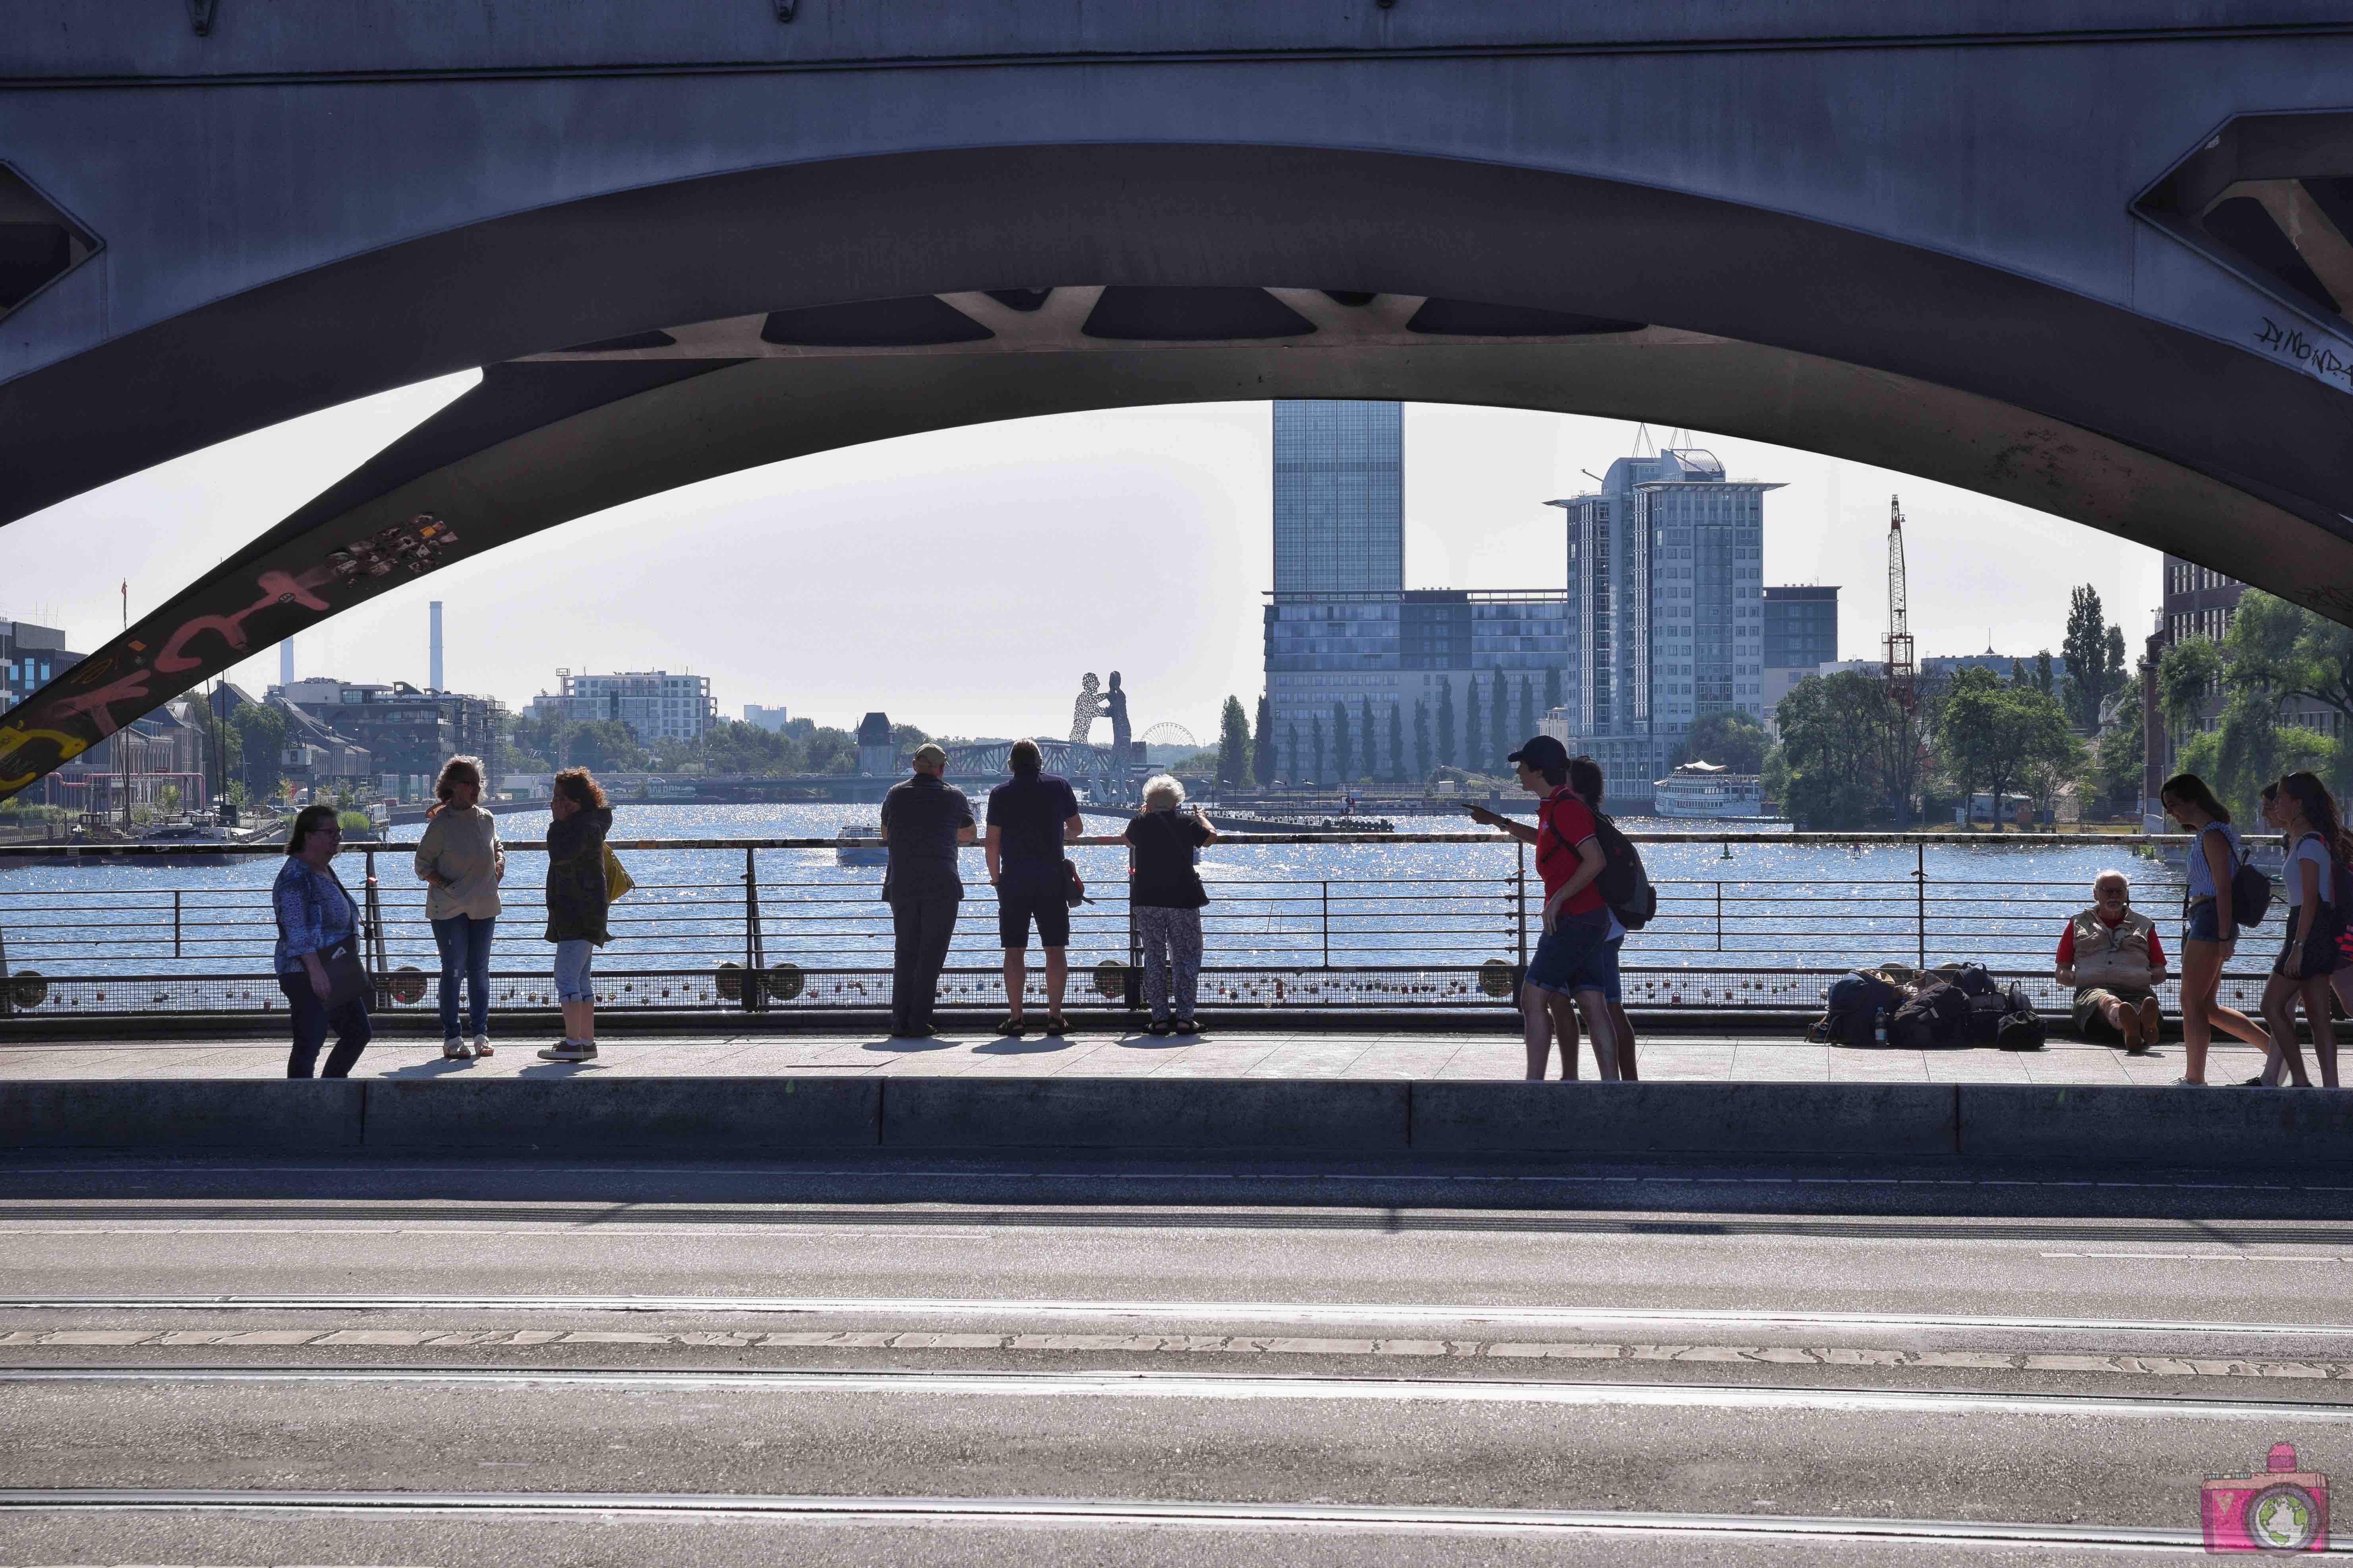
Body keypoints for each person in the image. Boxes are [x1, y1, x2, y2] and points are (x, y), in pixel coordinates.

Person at [1467, 734, 1619, 1081]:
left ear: (1538, 771)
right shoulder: (1556, 808)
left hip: (1573, 921)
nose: (1518, 773)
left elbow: (1594, 860)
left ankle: (1533, 1086)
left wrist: (1558, 900)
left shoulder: (1566, 808)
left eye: (1522, 767)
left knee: (1532, 999)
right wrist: (1499, 822)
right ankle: (1613, 1089)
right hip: (1589, 920)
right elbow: (1547, 841)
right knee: (1594, 1006)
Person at [2161, 772, 2270, 1085]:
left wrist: (2224, 937)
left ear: (2193, 800)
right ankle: (2277, 1053)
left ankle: (2194, 1078)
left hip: (2210, 918)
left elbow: (2223, 889)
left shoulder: (2212, 835)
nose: (2171, 812)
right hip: (2206, 917)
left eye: (2173, 804)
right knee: (2207, 1006)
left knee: (2191, 1002)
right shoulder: (2211, 833)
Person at [986, 738, 1084, 1035]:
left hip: (1014, 879)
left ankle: (1016, 1019)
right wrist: (1059, 834)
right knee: (1055, 949)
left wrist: (995, 877)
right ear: (1041, 762)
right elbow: (1077, 828)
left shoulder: (1000, 793)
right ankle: (1054, 1017)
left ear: (1011, 764)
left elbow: (992, 842)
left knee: (1014, 951)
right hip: (1052, 879)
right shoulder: (1059, 786)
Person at [2256, 771, 2345, 1089]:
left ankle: (2301, 1080)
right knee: (2318, 1014)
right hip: (2315, 930)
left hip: (2306, 930)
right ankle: (2329, 1087)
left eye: (2280, 797)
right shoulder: (2313, 841)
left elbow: (2310, 901)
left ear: (2298, 803)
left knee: (2271, 1006)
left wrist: (2298, 946)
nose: (2275, 803)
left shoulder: (2308, 845)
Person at [413, 754, 504, 1060]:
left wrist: (500, 862)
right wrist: (447, 886)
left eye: (478, 783)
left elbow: (497, 846)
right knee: (453, 970)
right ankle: (452, 1036)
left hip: (485, 905)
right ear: (452, 787)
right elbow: (422, 865)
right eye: (468, 783)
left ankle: (480, 1032)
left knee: (479, 971)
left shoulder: (487, 819)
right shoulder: (441, 824)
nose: (475, 789)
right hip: (448, 910)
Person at [881, 742, 975, 1039]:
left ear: (914, 766)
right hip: (941, 882)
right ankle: (920, 1020)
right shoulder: (954, 797)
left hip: (903, 881)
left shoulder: (895, 795)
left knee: (905, 951)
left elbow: (886, 833)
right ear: (942, 768)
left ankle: (899, 1020)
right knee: (931, 953)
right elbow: (971, 834)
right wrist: (945, 834)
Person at [272, 802, 371, 1079]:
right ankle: (302, 1104)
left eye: (338, 831)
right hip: (307, 973)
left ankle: (330, 1089)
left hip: (335, 967)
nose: (337, 837)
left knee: (358, 1033)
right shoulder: (296, 876)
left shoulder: (322, 869)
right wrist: (316, 972)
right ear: (308, 836)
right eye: (329, 832)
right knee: (309, 1043)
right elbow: (297, 930)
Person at [1124, 772, 1217, 1035]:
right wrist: (1202, 817)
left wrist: (1145, 814)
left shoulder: (1140, 822)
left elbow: (1127, 839)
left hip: (1148, 899)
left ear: (1149, 804)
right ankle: (1186, 1018)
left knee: (1153, 957)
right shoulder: (1187, 822)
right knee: (1185, 957)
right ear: (1177, 803)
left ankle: (1160, 1018)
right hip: (1183, 899)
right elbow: (1211, 837)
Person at [1564, 754, 1638, 1080]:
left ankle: (1626, 1083)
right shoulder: (1599, 819)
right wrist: (1504, 824)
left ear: (1572, 785)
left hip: (1601, 928)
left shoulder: (1582, 820)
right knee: (1603, 1005)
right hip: (1607, 925)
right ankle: (1621, 1080)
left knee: (1609, 1007)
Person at [537, 767, 612, 1062]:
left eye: (557, 798)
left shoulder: (577, 828)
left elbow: (559, 855)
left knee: (566, 978)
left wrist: (557, 825)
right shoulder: (591, 824)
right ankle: (586, 1041)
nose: (552, 804)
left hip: (575, 913)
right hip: (589, 913)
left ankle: (572, 1043)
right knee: (581, 979)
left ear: (573, 802)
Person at [2054, 870, 2166, 1050]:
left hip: (2138, 990)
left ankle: (2134, 1027)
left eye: (2119, 891)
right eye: (2107, 890)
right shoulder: (2077, 924)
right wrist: (2074, 978)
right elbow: (2061, 971)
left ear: (2126, 893)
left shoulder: (2145, 925)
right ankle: (2136, 1026)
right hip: (2093, 994)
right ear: (2095, 893)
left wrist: (2149, 976)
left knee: (2141, 1003)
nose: (2114, 895)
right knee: (2108, 1001)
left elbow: (2160, 970)